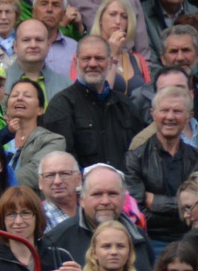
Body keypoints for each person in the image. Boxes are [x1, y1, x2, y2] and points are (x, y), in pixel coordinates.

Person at [125, 86, 198, 249]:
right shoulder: (135, 158)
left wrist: (156, 202)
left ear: (189, 117)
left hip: (195, 241)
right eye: (164, 110)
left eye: (177, 111)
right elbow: (137, 213)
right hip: (151, 242)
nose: (170, 117)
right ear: (153, 114)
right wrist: (186, 206)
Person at [43, 35, 148, 170]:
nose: (92, 64)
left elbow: (140, 158)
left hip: (123, 188)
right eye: (86, 58)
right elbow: (61, 163)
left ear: (110, 63)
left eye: (99, 58)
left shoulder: (126, 106)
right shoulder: (61, 106)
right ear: (76, 62)